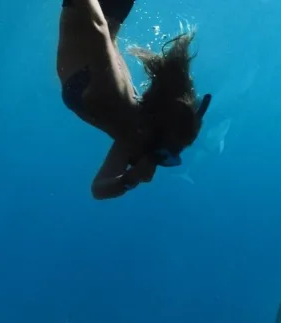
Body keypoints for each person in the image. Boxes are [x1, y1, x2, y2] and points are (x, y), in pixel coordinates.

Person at [57, 0, 212, 200]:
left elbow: (98, 189)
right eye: (159, 156)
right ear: (146, 132)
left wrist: (129, 179)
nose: (151, 164)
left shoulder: (127, 132)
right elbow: (98, 28)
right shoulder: (113, 96)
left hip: (104, 12)